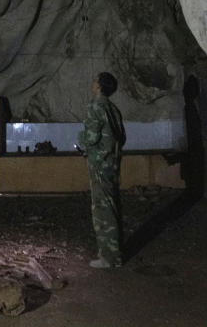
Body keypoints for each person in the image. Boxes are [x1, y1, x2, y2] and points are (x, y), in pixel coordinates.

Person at [77, 72, 126, 268]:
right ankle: (114, 252)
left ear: (99, 86)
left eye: (95, 80)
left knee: (102, 209)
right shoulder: (113, 108)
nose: (92, 82)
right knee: (112, 205)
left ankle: (110, 258)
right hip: (112, 162)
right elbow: (121, 137)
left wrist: (81, 141)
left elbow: (91, 137)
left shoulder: (96, 106)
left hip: (99, 163)